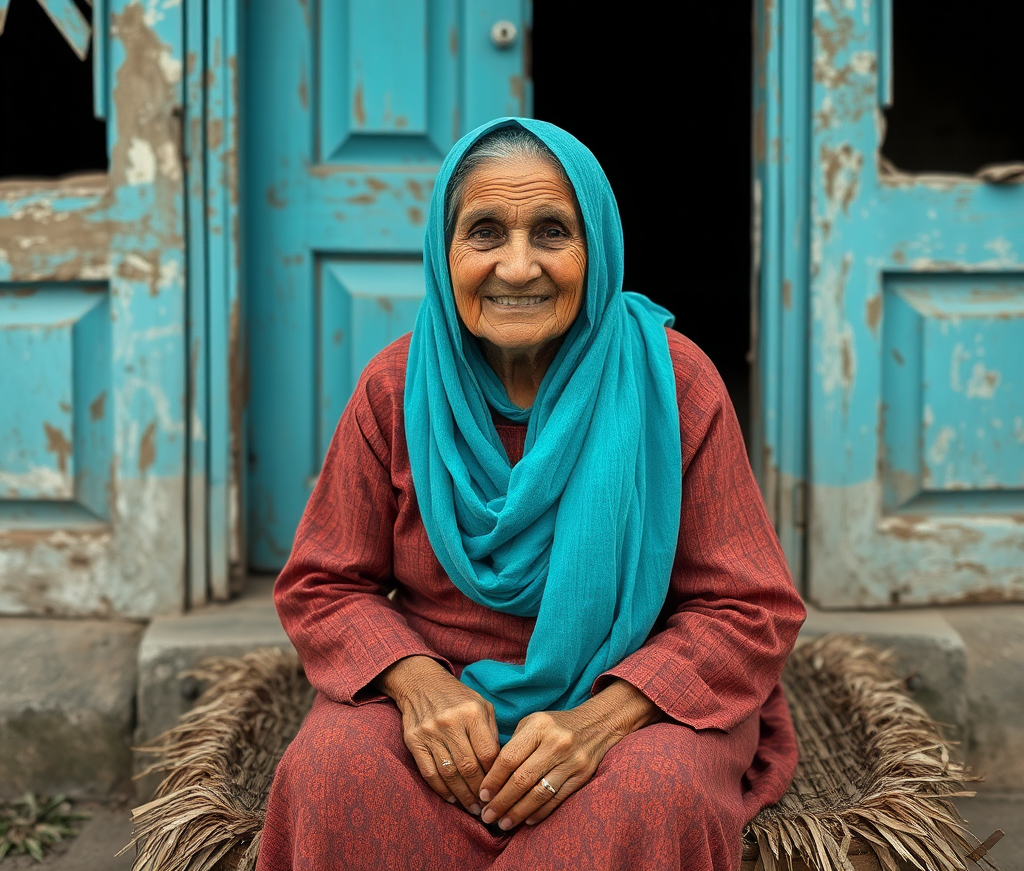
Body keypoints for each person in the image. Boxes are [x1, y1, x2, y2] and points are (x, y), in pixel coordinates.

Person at [257, 118, 805, 871]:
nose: (517, 269)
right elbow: (325, 583)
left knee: (657, 794)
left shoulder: (672, 386)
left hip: (635, 702)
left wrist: (600, 721)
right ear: (443, 252)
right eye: (484, 233)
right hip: (450, 700)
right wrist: (418, 687)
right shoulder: (395, 388)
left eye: (552, 232)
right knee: (331, 775)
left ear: (598, 248)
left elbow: (749, 609)